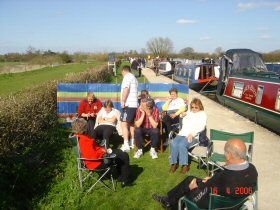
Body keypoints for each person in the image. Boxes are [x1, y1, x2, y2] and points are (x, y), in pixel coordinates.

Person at [152, 138, 258, 209]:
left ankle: (169, 201)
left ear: (229, 155)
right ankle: (169, 200)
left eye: (226, 154)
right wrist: (210, 181)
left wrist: (202, 183)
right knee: (191, 179)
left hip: (212, 204)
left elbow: (204, 186)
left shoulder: (224, 176)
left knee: (190, 183)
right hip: (235, 204)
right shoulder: (253, 170)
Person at [72, 118, 131, 187]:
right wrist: (104, 151)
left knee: (118, 153)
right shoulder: (85, 140)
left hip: (86, 161)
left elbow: (91, 151)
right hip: (96, 163)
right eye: (86, 126)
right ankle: (125, 180)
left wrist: (102, 149)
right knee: (124, 155)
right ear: (83, 127)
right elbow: (93, 155)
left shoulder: (76, 137)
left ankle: (121, 176)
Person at [169, 98, 207, 173]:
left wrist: (192, 134)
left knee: (182, 145)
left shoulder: (203, 114)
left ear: (200, 106)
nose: (194, 109)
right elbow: (184, 122)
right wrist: (183, 116)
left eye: (196, 107)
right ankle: (174, 163)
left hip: (193, 135)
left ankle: (185, 165)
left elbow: (202, 127)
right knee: (174, 143)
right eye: (192, 107)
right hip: (182, 133)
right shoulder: (189, 112)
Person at [120, 65, 138, 152]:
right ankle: (132, 142)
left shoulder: (127, 77)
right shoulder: (134, 78)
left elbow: (126, 89)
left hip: (128, 104)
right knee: (131, 124)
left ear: (123, 71)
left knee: (123, 124)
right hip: (134, 105)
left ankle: (126, 144)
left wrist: (123, 101)